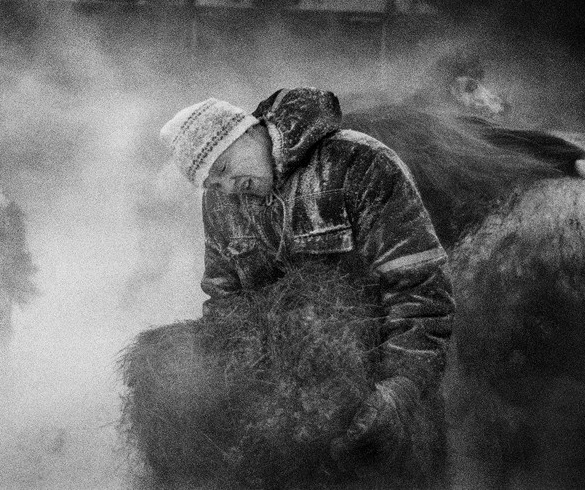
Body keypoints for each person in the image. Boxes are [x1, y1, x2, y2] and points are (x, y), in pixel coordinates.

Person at [159, 87, 455, 480]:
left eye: (225, 168)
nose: (228, 188)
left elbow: (419, 287)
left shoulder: (358, 163)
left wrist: (400, 389)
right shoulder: (220, 206)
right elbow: (225, 299)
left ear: (249, 132)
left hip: (381, 389)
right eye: (213, 183)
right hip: (295, 415)